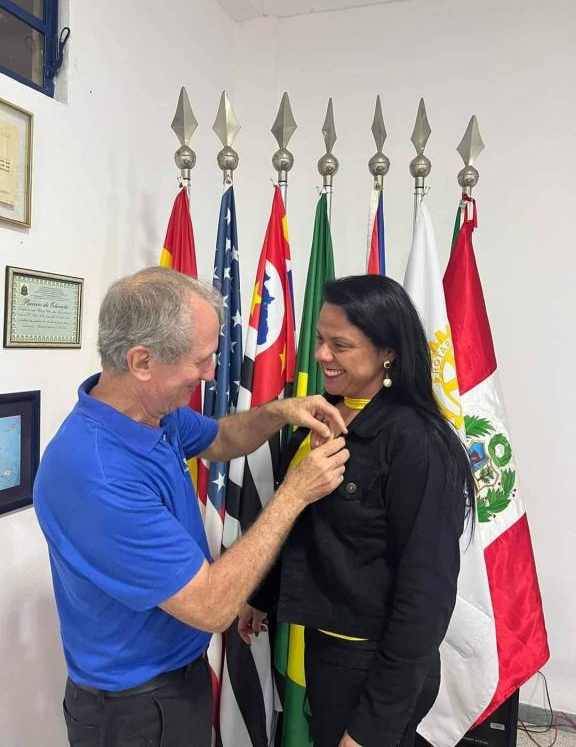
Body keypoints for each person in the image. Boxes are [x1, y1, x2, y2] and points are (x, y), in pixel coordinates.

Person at [33, 266, 349, 747]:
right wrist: (294, 494)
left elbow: (220, 439)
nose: (210, 373)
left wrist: (280, 412)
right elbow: (211, 607)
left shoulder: (149, 414)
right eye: (200, 360)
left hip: (175, 679)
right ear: (142, 361)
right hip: (136, 708)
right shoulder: (97, 475)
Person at [240, 274, 475, 747]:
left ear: (388, 351)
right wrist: (265, 594)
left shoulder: (416, 442)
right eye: (320, 340)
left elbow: (426, 595)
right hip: (324, 645)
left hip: (372, 665)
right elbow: (309, 525)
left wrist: (373, 725)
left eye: (340, 345)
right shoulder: (325, 415)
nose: (322, 355)